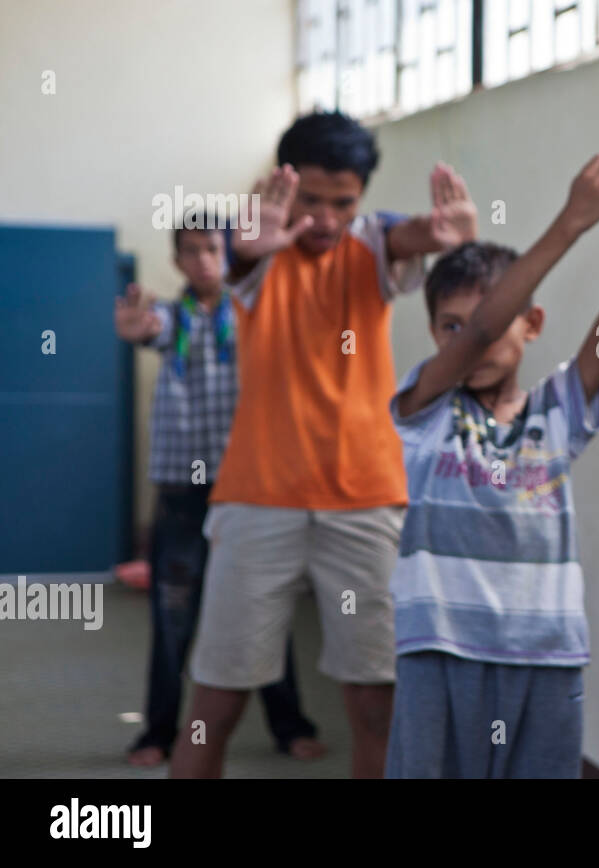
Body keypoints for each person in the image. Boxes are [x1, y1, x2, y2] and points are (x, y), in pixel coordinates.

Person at [169, 112, 477, 778]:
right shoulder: (255, 247)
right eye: (310, 199)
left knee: (375, 700)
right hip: (258, 498)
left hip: (364, 499)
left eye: (343, 202)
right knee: (215, 700)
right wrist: (252, 246)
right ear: (283, 184)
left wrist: (441, 234)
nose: (325, 218)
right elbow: (244, 256)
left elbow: (407, 235)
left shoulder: (372, 244)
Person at [385, 155, 599, 778]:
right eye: (452, 327)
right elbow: (482, 329)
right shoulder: (424, 411)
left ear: (534, 323)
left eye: (496, 324)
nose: (475, 339)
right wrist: (569, 224)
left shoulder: (558, 412)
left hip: (546, 657)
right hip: (438, 649)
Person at [114, 218, 321, 767]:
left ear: (229, 255)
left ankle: (291, 725)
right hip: (183, 490)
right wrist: (136, 328)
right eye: (192, 251)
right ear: (179, 261)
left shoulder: (254, 312)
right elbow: (147, 328)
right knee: (172, 616)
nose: (204, 259)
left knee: (265, 612)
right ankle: (156, 734)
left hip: (248, 487)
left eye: (213, 249)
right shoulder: (170, 317)